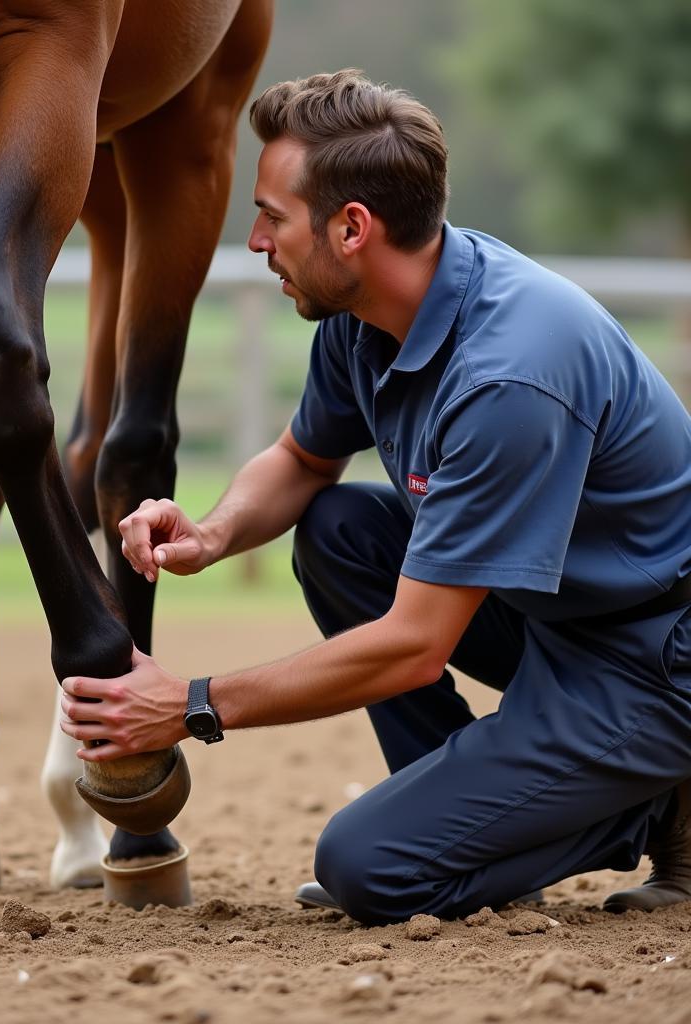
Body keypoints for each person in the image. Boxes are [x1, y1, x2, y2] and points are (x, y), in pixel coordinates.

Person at [59, 69, 691, 924]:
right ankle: (488, 822)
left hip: (652, 658)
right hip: (558, 615)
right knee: (339, 526)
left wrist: (192, 705)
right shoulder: (367, 312)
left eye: (272, 217)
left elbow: (414, 648)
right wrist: (209, 534)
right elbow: (300, 459)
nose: (253, 241)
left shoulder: (511, 374)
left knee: (369, 870)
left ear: (352, 228)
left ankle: (660, 798)